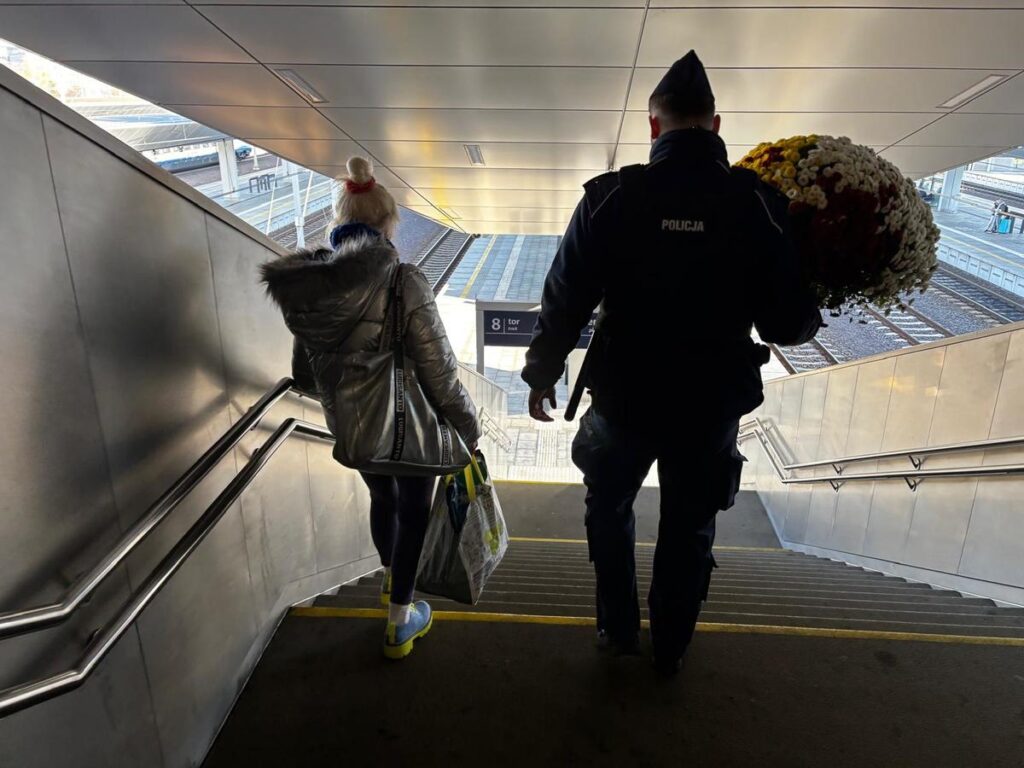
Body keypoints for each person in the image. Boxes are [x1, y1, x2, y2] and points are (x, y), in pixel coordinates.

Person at [521, 50, 821, 676]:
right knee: (690, 524)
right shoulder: (758, 204)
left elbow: (564, 295)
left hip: (623, 398)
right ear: (716, 125)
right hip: (710, 404)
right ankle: (672, 646)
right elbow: (786, 326)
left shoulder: (610, 197)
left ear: (653, 126)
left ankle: (617, 628)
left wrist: (541, 373)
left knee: (609, 508)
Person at [261, 156, 480, 660]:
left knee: (383, 499)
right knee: (414, 510)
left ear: (341, 220)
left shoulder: (310, 291)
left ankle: (388, 579)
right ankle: (400, 622)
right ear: (387, 224)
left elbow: (305, 376)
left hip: (354, 429)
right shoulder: (404, 280)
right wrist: (467, 426)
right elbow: (439, 370)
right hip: (408, 428)